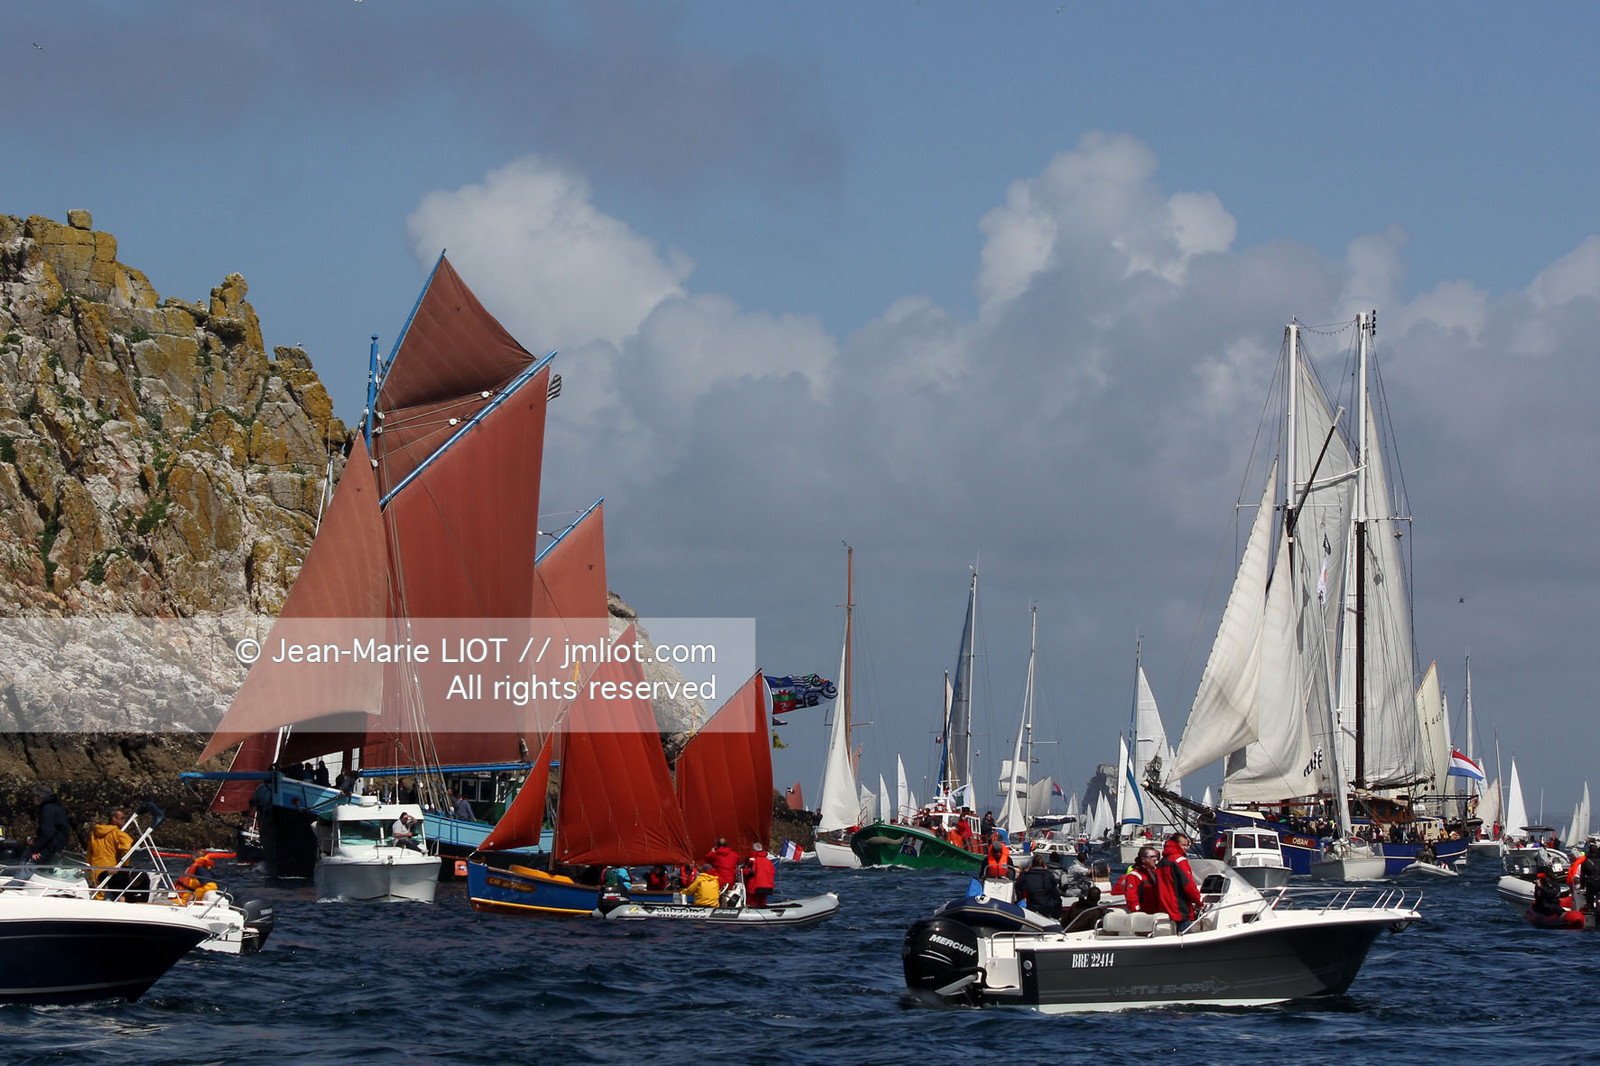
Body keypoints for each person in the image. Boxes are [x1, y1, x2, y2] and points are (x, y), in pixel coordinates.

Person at [1156, 832, 1204, 923]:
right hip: (1180, 910)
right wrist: (1199, 902)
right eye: (1183, 845)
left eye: (1187, 845)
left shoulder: (1161, 862)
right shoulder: (1179, 860)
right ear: (1176, 844)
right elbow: (1188, 885)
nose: (1186, 848)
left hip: (1164, 908)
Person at [85, 809, 134, 886]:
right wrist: (123, 866)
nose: (124, 820)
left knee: (96, 894)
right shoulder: (118, 834)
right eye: (122, 818)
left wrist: (89, 868)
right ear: (114, 819)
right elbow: (127, 848)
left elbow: (89, 853)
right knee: (106, 894)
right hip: (110, 871)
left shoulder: (94, 833)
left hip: (95, 870)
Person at [24, 785, 70, 864]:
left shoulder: (47, 809)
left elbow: (47, 832)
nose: (33, 799)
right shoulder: (56, 806)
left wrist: (37, 848)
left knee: (26, 859)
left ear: (39, 796)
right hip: (57, 845)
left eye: (34, 796)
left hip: (51, 846)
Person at [1015, 854, 1063, 919]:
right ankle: (1057, 918)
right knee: (1058, 899)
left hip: (1031, 906)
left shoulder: (1025, 875)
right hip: (1046, 906)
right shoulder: (1049, 875)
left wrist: (1021, 898)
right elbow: (1054, 887)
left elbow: (1018, 888)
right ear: (1043, 864)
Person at [1114, 847, 1163, 912]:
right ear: (1143, 859)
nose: (1155, 859)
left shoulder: (1155, 873)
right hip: (1144, 913)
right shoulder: (1135, 875)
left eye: (1156, 857)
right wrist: (1137, 911)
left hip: (1156, 911)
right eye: (1151, 857)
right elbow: (1131, 896)